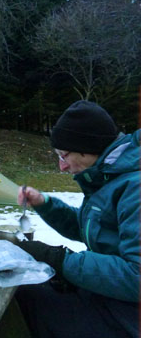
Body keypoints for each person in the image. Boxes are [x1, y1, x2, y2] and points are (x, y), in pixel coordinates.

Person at [15, 100, 139, 337]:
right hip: (108, 298)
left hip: (128, 318)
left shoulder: (134, 188)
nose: (62, 167)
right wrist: (46, 205)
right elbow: (92, 230)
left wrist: (60, 260)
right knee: (24, 289)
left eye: (64, 155)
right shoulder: (106, 179)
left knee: (24, 307)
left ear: (87, 148)